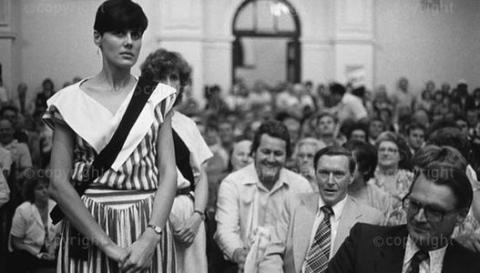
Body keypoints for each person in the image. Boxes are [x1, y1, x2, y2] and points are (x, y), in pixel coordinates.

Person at [43, 1, 178, 272]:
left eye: (136, 35)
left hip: (147, 222)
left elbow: (168, 173)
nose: (129, 42)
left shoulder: (157, 97)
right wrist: (107, 245)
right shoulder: (69, 102)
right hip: (88, 225)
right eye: (119, 33)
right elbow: (58, 183)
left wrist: (152, 235)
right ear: (97, 37)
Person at [327, 162, 480, 273]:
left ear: (461, 215)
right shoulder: (363, 243)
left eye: (434, 211)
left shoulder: (472, 266)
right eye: (414, 204)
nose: (419, 218)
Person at [141, 48, 211, 273]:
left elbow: (201, 177)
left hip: (189, 213)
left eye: (174, 78)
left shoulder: (187, 124)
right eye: (161, 77)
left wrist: (198, 216)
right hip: (153, 212)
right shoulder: (139, 122)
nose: (168, 83)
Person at [259, 146, 383, 273]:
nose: (330, 181)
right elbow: (272, 255)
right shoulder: (293, 204)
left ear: (351, 177)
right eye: (324, 173)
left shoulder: (370, 218)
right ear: (315, 173)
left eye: (338, 174)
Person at [215, 120, 312, 272]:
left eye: (278, 154)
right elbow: (225, 230)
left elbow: (304, 236)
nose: (271, 159)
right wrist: (239, 255)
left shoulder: (300, 186)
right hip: (241, 264)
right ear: (254, 152)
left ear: (287, 156)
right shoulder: (233, 183)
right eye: (266, 152)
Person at [8, 176, 60, 273]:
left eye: (46, 187)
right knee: (20, 257)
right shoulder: (23, 210)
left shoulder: (55, 206)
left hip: (51, 252)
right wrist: (36, 254)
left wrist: (52, 250)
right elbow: (16, 242)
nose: (45, 191)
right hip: (29, 252)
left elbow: (59, 234)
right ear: (32, 192)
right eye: (40, 188)